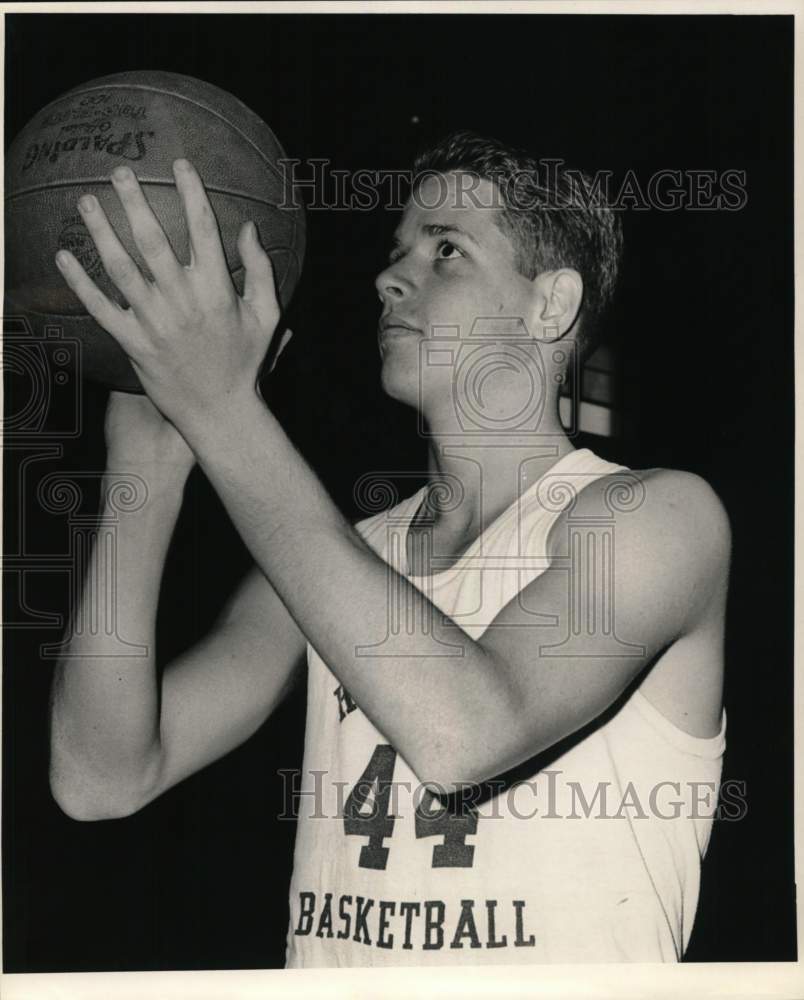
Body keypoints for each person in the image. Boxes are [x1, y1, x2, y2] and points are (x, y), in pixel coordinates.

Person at [48, 131, 730, 965]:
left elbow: (465, 735)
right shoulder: (344, 555)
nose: (389, 276)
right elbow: (101, 778)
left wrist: (225, 412)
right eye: (396, 250)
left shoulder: (655, 517)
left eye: (448, 249)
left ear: (551, 306)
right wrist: (146, 468)